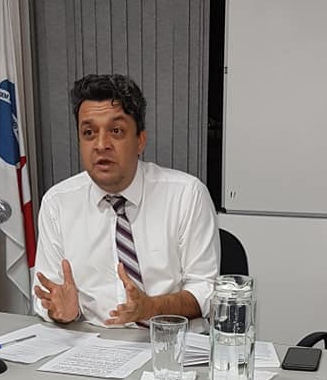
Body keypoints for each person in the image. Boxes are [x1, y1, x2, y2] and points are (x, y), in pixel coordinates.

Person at [33, 73, 219, 328]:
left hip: (170, 341)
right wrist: (61, 311)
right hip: (91, 342)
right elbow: (46, 292)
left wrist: (151, 308)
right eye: (89, 132)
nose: (101, 145)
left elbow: (206, 291)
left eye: (116, 131)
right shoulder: (57, 203)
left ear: (140, 140)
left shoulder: (187, 195)